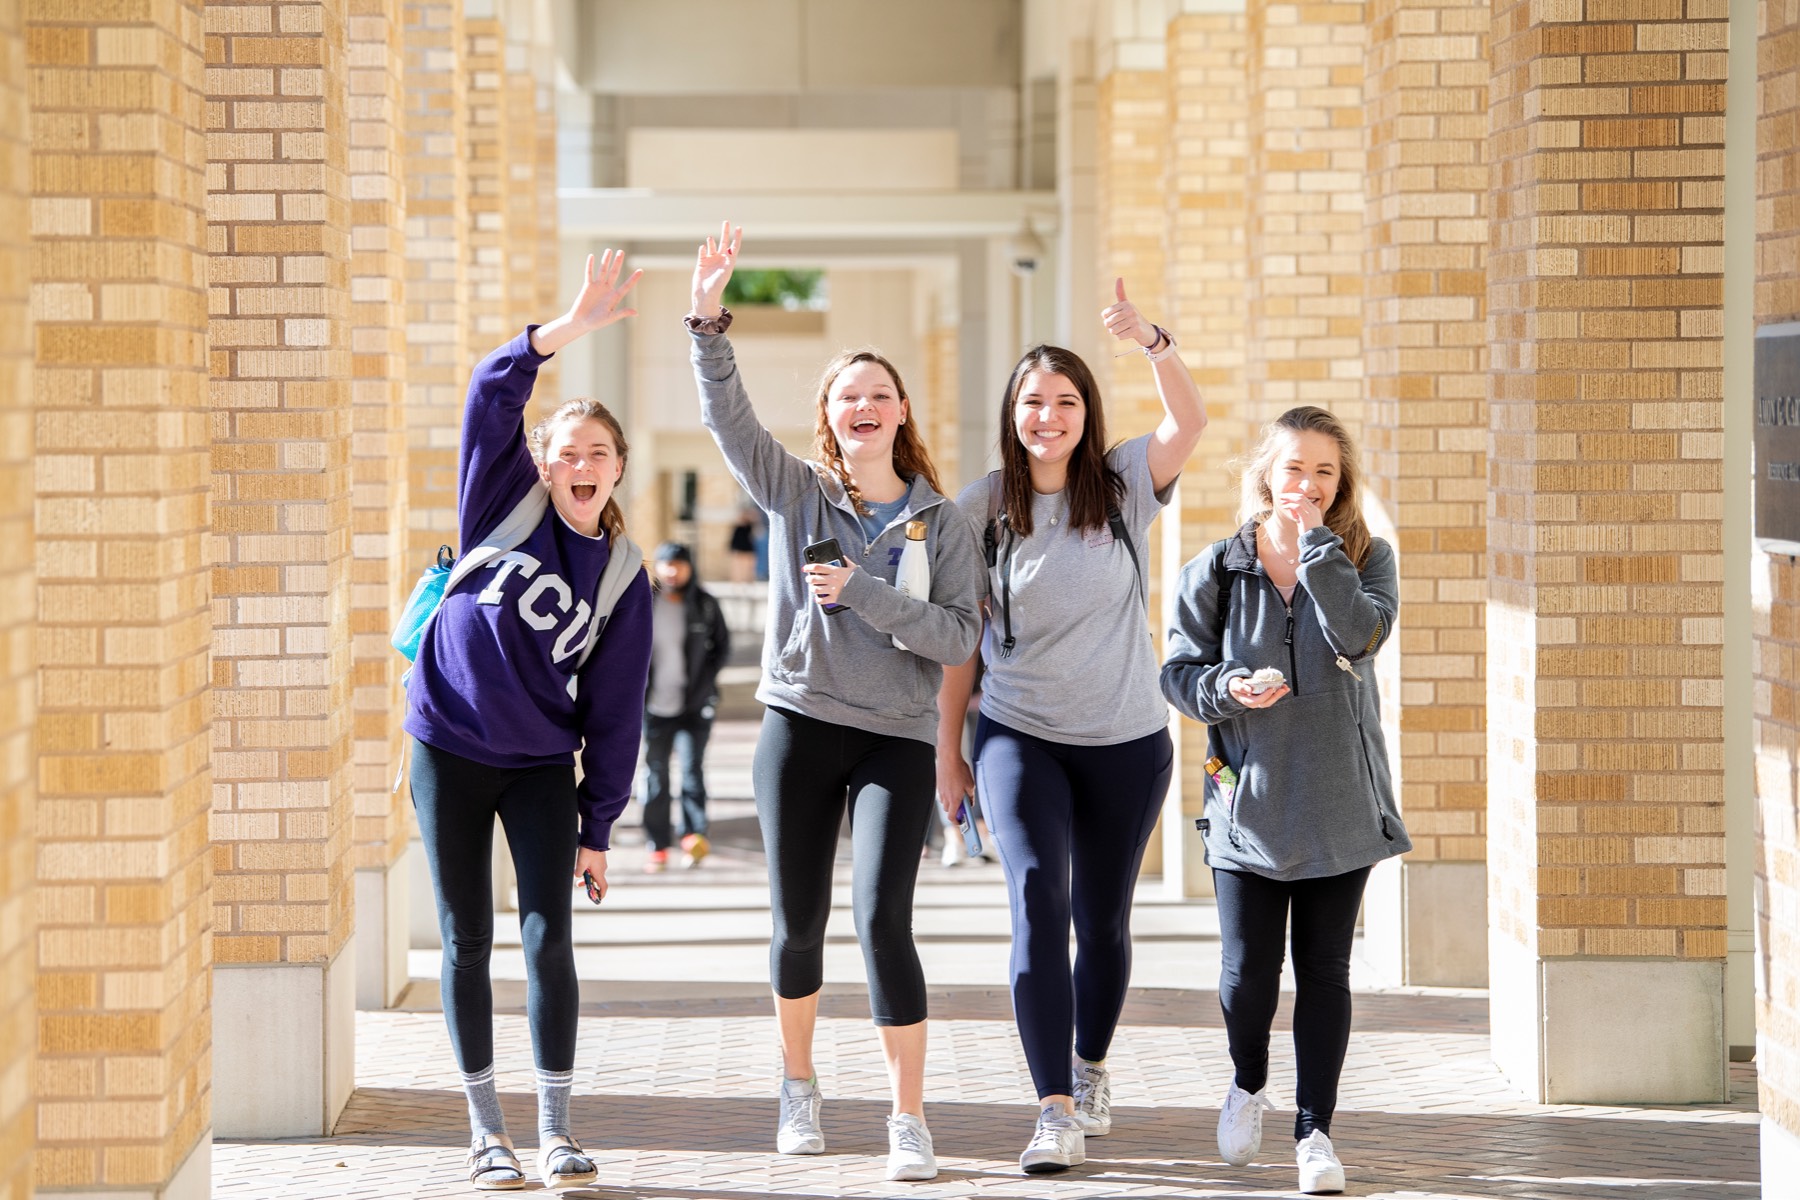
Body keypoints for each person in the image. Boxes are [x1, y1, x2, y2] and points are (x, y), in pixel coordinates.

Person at [687, 222, 984, 1182]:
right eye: (848, 394)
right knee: (797, 920)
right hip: (802, 726)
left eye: (880, 393)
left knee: (883, 920)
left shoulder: (939, 520)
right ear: (829, 413)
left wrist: (866, 593)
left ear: (902, 412)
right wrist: (707, 320)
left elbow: (956, 638)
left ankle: (907, 1116)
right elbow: (729, 421)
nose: (865, 405)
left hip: (894, 738)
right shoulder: (797, 494)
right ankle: (799, 1086)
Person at [935, 281, 1207, 1174]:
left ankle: (1091, 1068)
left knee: (1104, 918)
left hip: (1128, 741)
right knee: (1036, 898)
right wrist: (950, 751)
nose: (1047, 416)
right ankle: (1052, 1104)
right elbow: (961, 638)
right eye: (1032, 402)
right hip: (1019, 735)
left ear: (1086, 415)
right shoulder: (981, 508)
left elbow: (1189, 425)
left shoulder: (1123, 483)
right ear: (1012, 414)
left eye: (1064, 402)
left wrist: (1152, 342)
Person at [404, 250, 653, 1192]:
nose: (582, 465)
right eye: (566, 452)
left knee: (549, 937)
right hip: (448, 748)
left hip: (543, 766)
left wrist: (598, 830)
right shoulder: (498, 502)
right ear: (541, 462)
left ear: (619, 467)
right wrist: (568, 329)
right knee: (466, 937)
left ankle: (555, 1129)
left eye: (599, 453)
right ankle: (484, 1131)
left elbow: (615, 710)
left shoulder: (624, 577)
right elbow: (488, 387)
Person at [1159, 405, 1407, 1196]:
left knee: (1325, 972)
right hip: (1250, 805)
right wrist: (1228, 687)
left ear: (1341, 485)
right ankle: (1246, 1080)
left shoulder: (1367, 558)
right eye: (1294, 467)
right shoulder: (1218, 567)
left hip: (1339, 799)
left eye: (1324, 472)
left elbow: (1360, 639)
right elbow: (1178, 673)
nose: (1307, 483)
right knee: (1248, 978)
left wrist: (1320, 552)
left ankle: (1315, 1131)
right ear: (1266, 473)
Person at [642, 541, 730, 871]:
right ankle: (657, 844)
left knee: (693, 772)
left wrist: (705, 685)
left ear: (690, 567)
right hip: (653, 707)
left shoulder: (704, 604)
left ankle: (693, 836)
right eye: (667, 564)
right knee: (656, 775)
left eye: (679, 564)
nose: (673, 570)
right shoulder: (643, 603)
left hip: (694, 707)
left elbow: (721, 648)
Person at [728, 504, 760, 582]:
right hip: (740, 549)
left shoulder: (751, 526)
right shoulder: (738, 527)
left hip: (748, 549)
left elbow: (758, 534)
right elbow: (734, 539)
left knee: (749, 568)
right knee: (738, 568)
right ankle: (738, 582)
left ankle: (748, 582)